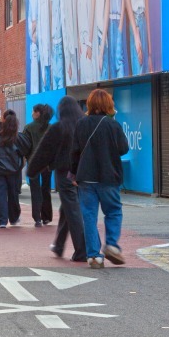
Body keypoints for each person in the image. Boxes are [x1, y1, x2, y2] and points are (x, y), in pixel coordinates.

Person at [72, 89, 130, 269]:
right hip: (108, 176)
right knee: (113, 211)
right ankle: (111, 245)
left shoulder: (81, 124)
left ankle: (94, 257)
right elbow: (123, 149)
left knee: (88, 215)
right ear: (108, 105)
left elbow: (74, 151)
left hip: (86, 178)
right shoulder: (113, 125)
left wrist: (74, 173)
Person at [28, 96, 86, 262]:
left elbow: (44, 151)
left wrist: (32, 170)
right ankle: (59, 245)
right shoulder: (84, 125)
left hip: (65, 172)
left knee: (72, 209)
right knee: (67, 208)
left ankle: (82, 249)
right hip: (83, 173)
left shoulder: (59, 128)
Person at [0, 111, 32, 228]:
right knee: (13, 194)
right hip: (14, 170)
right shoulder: (20, 138)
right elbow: (27, 150)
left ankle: (1, 220)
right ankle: (14, 217)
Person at [23, 103, 54, 227]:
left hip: (33, 163)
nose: (31, 114)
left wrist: (25, 158)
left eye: (33, 111)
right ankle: (47, 216)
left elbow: (25, 146)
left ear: (37, 113)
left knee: (35, 189)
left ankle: (37, 217)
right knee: (46, 188)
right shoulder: (50, 127)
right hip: (47, 163)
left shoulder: (28, 128)